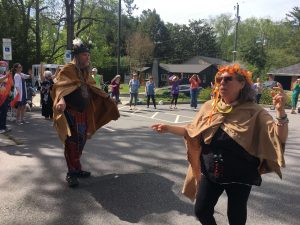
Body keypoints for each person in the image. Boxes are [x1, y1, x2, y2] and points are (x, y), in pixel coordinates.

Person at [152, 64, 287, 225]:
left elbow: (277, 138)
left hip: (241, 173)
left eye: (228, 79)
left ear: (242, 84)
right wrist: (167, 128)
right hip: (211, 171)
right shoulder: (210, 107)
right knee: (201, 210)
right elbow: (193, 131)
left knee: (236, 216)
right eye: (219, 79)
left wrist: (280, 113)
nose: (222, 82)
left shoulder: (255, 111)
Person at [51, 38, 120, 187]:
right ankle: (71, 173)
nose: (87, 57)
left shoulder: (86, 72)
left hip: (84, 112)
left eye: (88, 55)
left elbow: (93, 87)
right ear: (77, 56)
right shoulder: (68, 69)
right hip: (70, 112)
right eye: (84, 55)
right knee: (71, 142)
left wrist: (107, 97)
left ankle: (77, 168)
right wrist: (61, 100)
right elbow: (59, 86)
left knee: (81, 141)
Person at [0, 61, 13, 134]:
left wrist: (10, 76)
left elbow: (12, 84)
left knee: (4, 112)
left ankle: (3, 126)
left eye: (5, 66)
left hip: (5, 96)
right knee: (1, 112)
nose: (4, 68)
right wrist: (6, 76)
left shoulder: (5, 75)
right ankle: (1, 128)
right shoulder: (3, 75)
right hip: (0, 97)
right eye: (3, 66)